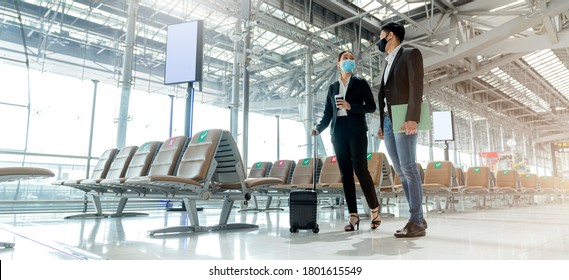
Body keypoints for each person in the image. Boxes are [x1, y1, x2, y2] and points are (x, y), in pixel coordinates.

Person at [311, 50, 381, 232]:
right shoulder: (333, 87)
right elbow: (328, 113)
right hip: (338, 131)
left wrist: (351, 106)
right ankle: (353, 215)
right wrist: (318, 128)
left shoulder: (360, 83)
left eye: (351, 58)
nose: (348, 60)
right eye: (345, 58)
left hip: (356, 130)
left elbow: (371, 107)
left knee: (361, 170)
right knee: (346, 174)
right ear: (338, 63)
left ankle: (374, 210)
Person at [376, 22, 427, 238]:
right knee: (401, 170)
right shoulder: (387, 63)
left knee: (408, 168)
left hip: (403, 118)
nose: (378, 40)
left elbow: (417, 86)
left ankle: (416, 220)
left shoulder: (409, 54)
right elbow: (386, 94)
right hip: (389, 121)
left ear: (391, 36)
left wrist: (412, 118)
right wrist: (382, 123)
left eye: (381, 35)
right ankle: (418, 218)